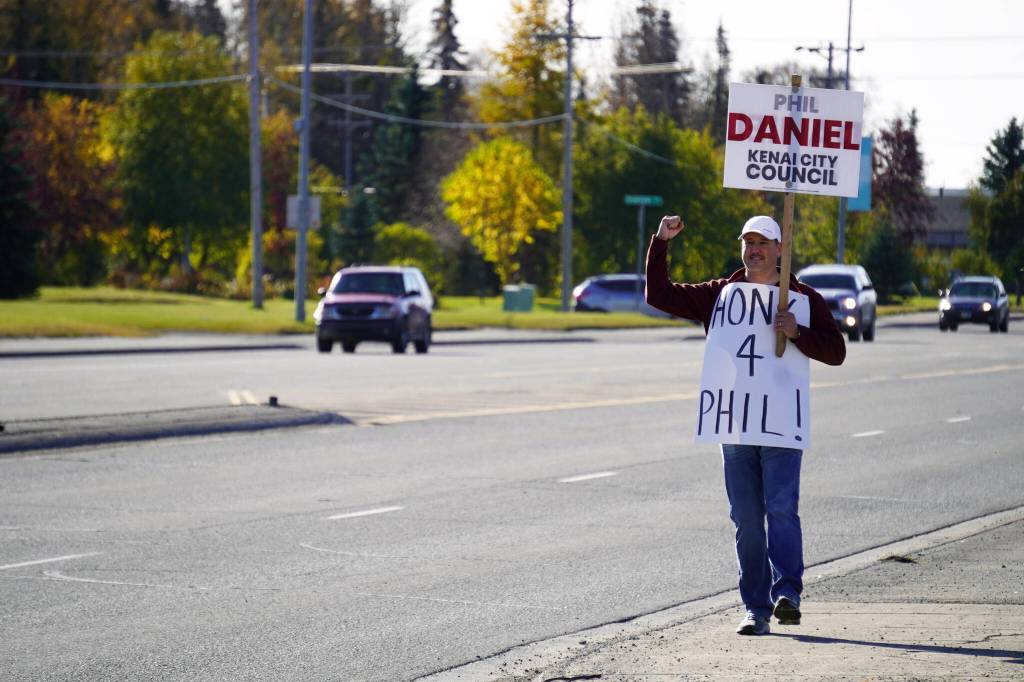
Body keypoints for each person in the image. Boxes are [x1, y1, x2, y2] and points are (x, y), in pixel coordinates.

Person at [646, 214, 846, 636]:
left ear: (779, 249)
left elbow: (836, 351)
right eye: (748, 242)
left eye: (763, 242)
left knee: (780, 509)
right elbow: (660, 295)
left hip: (780, 426)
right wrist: (662, 242)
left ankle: (787, 592)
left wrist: (798, 332)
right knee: (746, 519)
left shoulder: (802, 299)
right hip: (735, 425)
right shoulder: (721, 294)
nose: (754, 249)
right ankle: (755, 607)